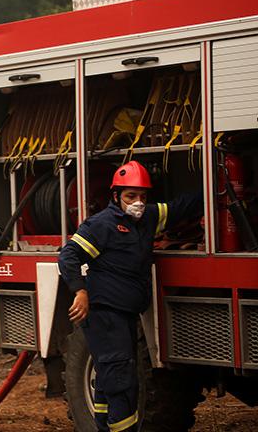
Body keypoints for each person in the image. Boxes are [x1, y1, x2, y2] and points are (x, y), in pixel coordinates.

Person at [58, 161, 202, 432]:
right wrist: (80, 291)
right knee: (122, 382)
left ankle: (102, 427)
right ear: (116, 196)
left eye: (143, 197)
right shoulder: (102, 224)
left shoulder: (147, 218)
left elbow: (179, 207)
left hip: (124, 314)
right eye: (130, 196)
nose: (137, 202)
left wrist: (213, 190)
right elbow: (68, 256)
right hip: (105, 314)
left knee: (107, 380)